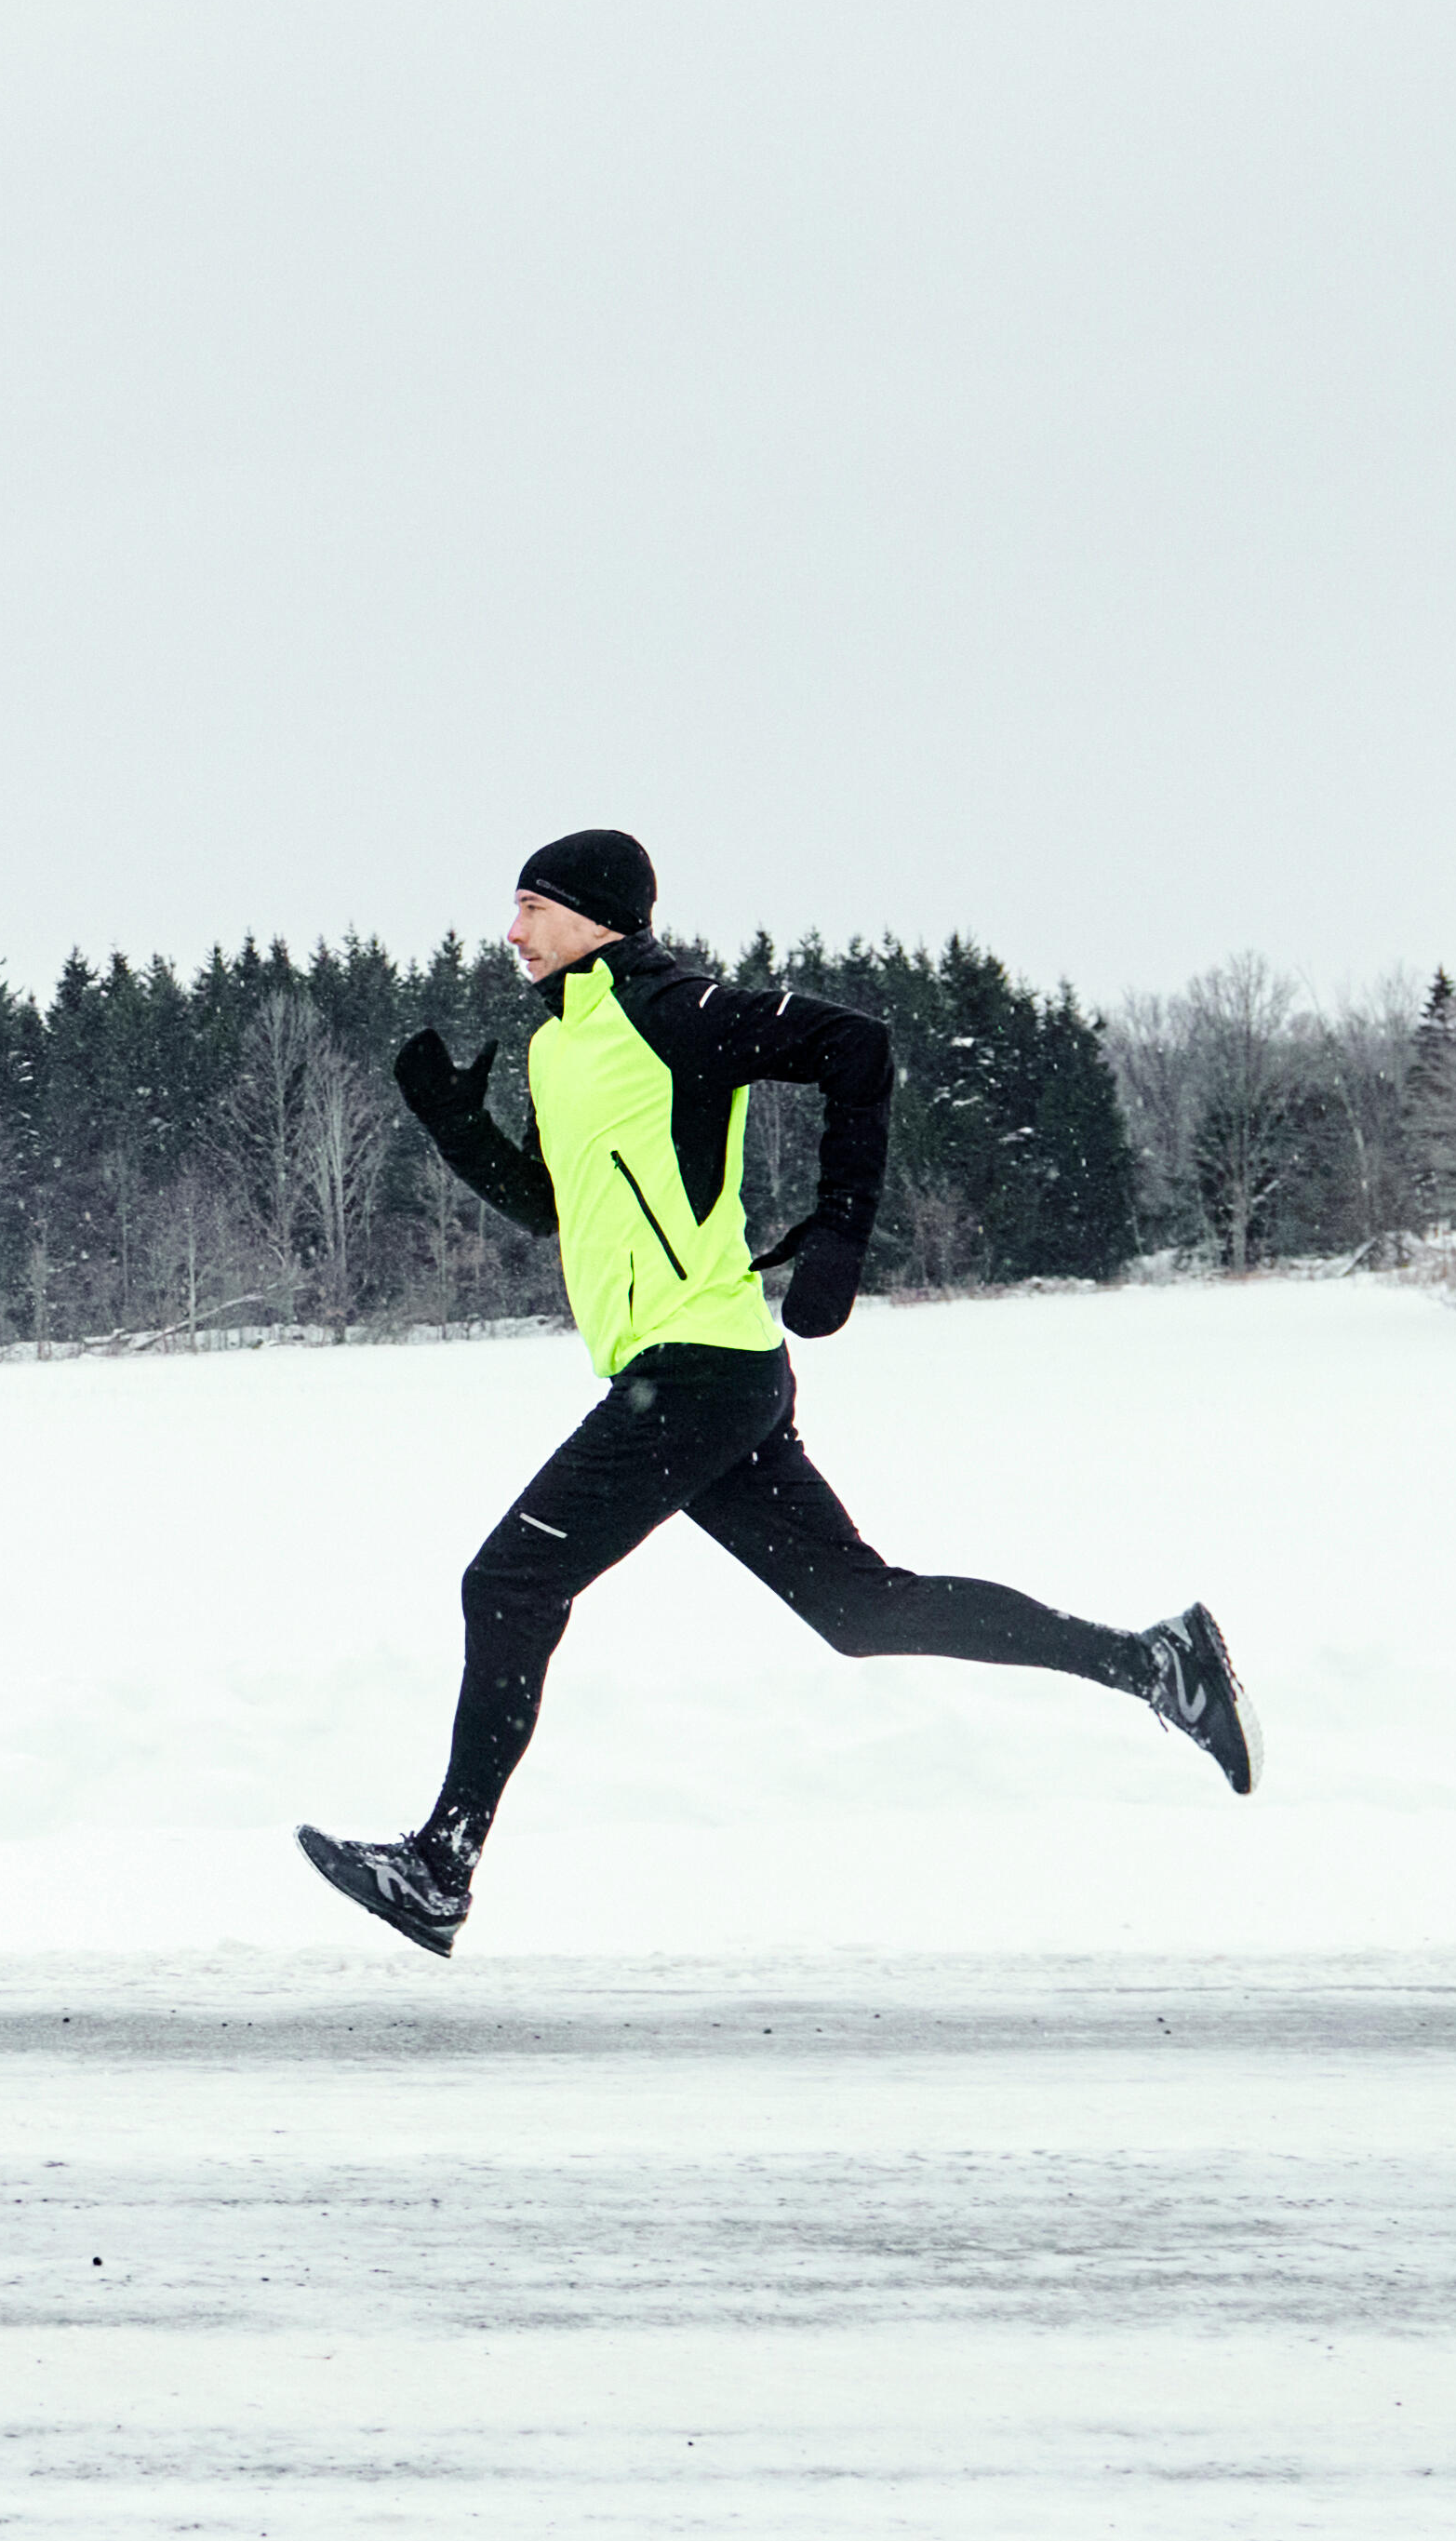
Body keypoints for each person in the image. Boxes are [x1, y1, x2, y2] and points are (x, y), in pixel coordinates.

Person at [301, 826, 1249, 1957]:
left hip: (695, 1373)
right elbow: (552, 1207)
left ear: (598, 917)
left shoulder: (677, 1015)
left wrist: (840, 1234)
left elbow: (858, 1047)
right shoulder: (562, 1050)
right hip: (704, 1378)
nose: (510, 934)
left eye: (530, 909)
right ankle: (1154, 1661)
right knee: (861, 1612)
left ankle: (440, 1866)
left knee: (506, 1584)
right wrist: (454, 1126)